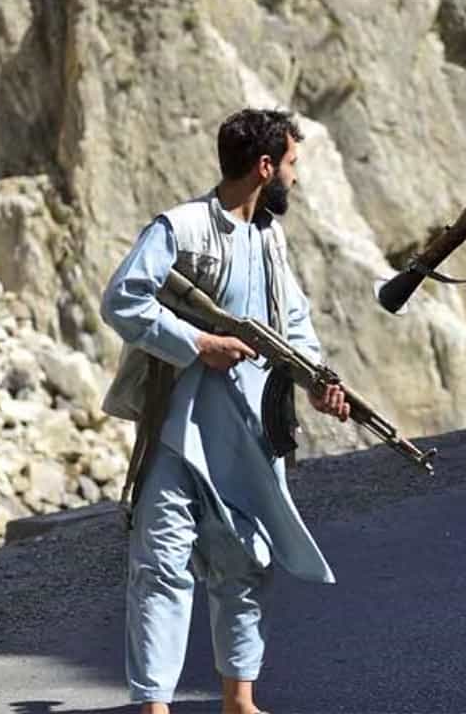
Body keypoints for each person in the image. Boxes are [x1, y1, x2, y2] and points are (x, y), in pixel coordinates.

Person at [99, 108, 349, 714]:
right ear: (264, 166)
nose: (295, 177)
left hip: (249, 434)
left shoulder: (270, 238)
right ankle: (154, 706)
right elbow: (123, 300)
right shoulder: (181, 227)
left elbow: (293, 325)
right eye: (291, 164)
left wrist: (318, 380)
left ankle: (240, 700)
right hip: (176, 432)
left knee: (244, 564)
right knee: (161, 566)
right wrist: (197, 343)